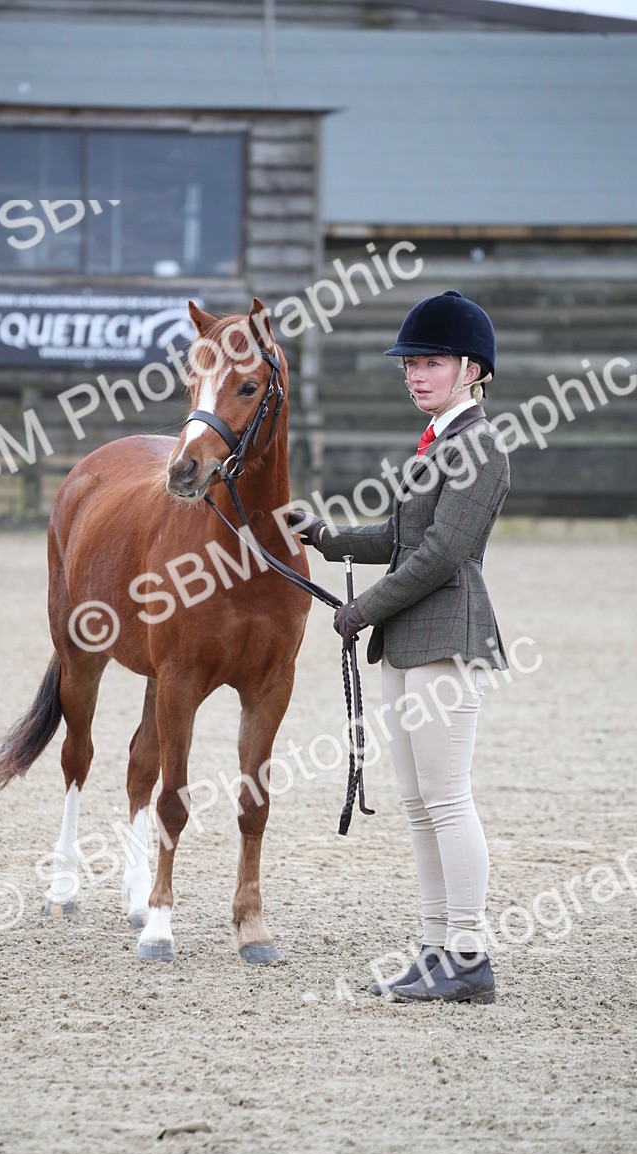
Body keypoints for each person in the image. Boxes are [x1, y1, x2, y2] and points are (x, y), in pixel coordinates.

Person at [290, 290, 509, 1004]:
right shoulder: (436, 442)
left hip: (447, 637)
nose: (416, 375)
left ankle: (470, 953)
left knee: (448, 800)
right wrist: (324, 536)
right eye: (411, 364)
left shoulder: (479, 447)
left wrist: (361, 609)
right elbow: (397, 539)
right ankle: (437, 948)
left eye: (432, 362)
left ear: (471, 370)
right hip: (410, 640)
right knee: (418, 802)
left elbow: (443, 554)